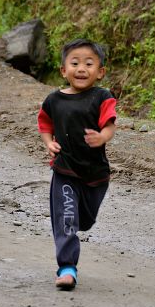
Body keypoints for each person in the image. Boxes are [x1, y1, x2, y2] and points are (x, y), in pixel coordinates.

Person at [37, 38, 117, 290]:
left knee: (85, 220)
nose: (81, 68)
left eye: (89, 64)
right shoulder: (54, 100)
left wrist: (102, 137)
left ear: (100, 72)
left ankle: (75, 226)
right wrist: (49, 143)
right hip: (65, 169)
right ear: (63, 70)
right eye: (74, 63)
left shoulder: (102, 97)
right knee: (66, 218)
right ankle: (67, 267)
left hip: (95, 173)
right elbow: (45, 124)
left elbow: (109, 124)